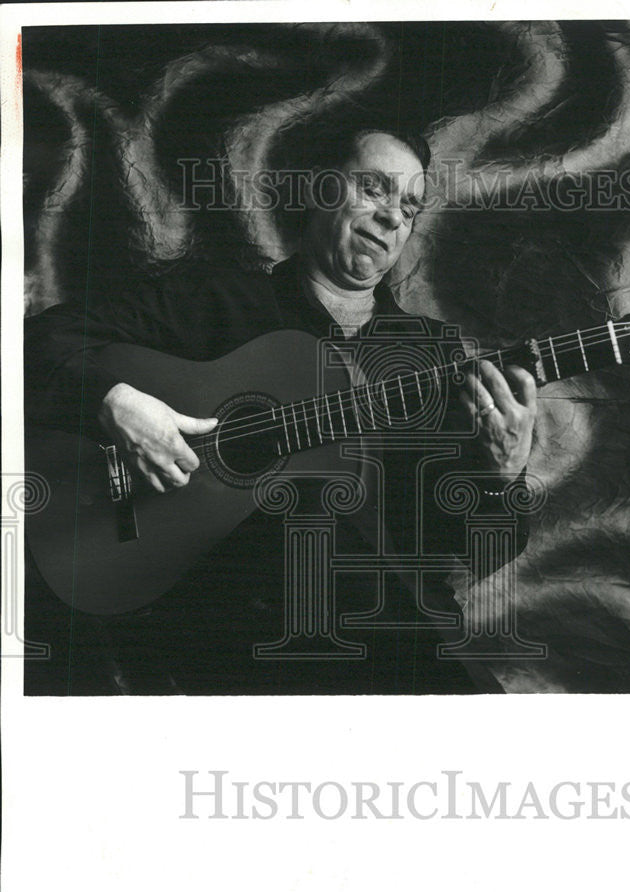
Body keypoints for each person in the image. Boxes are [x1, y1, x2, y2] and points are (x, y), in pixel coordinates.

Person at [25, 128, 538, 696]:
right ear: (321, 190)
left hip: (391, 638)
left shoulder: (433, 358)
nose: (393, 218)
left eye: (410, 207)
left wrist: (501, 477)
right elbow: (41, 339)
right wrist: (115, 403)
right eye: (375, 189)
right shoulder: (216, 302)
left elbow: (472, 551)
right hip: (229, 635)